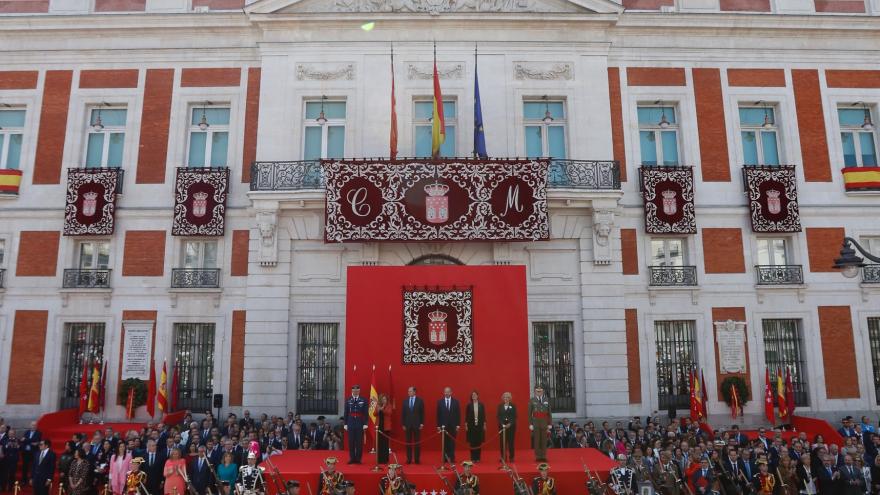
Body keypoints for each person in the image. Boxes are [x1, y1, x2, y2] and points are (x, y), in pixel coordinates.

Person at [343, 385, 368, 465]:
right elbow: (346, 412)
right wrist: (345, 423)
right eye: (354, 391)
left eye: (357, 391)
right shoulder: (348, 400)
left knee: (359, 442)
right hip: (350, 422)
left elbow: (365, 413)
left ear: (359, 391)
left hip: (360, 422)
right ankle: (352, 458)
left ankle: (358, 459)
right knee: (351, 441)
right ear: (352, 391)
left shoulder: (363, 400)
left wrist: (365, 423)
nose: (355, 392)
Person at [436, 387, 461, 465]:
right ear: (444, 393)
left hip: (453, 425)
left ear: (451, 392)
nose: (446, 393)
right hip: (443, 426)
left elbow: (458, 414)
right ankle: (445, 458)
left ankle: (452, 457)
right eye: (445, 392)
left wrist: (458, 425)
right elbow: (438, 415)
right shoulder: (440, 402)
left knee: (452, 442)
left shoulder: (456, 402)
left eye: (448, 392)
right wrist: (438, 425)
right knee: (444, 443)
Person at [528, 386, 552, 462]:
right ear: (535, 392)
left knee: (544, 440)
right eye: (537, 391)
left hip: (544, 422)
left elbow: (549, 413)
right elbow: (529, 414)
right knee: (537, 440)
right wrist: (530, 424)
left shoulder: (546, 400)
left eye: (540, 391)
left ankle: (544, 456)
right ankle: (538, 456)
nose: (539, 392)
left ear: (543, 392)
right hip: (535, 423)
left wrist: (550, 423)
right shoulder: (532, 400)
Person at [401, 387, 424, 465]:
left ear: (414, 392)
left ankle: (417, 459)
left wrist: (422, 423)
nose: (408, 392)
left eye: (410, 391)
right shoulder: (405, 401)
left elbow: (422, 413)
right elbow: (403, 414)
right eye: (408, 391)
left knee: (417, 443)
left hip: (417, 424)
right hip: (407, 425)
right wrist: (403, 424)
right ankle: (409, 459)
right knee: (408, 442)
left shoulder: (420, 401)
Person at [464, 391, 486, 463]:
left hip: (479, 426)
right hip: (471, 426)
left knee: (478, 442)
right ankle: (473, 458)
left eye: (475, 395)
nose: (474, 396)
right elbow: (466, 416)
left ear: (477, 396)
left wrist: (484, 424)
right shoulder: (469, 405)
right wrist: (466, 425)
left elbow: (484, 415)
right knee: (472, 443)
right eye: (472, 395)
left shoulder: (481, 405)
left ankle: (478, 458)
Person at [497, 392, 517, 464]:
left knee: (511, 442)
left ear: (510, 398)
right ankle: (503, 457)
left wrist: (510, 424)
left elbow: (515, 416)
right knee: (502, 442)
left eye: (508, 397)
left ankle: (511, 457)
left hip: (511, 427)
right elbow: (498, 416)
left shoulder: (513, 406)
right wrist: (502, 424)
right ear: (503, 398)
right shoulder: (500, 406)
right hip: (502, 427)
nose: (506, 398)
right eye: (505, 397)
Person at [20, 422, 41, 487]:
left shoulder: (38, 433)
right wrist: (31, 442)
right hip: (26, 452)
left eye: (34, 425)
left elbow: (36, 440)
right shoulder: (27, 432)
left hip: (33, 453)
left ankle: (32, 480)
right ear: (30, 426)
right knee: (24, 467)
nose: (33, 426)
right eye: (32, 425)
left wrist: (26, 440)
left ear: (36, 426)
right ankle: (24, 481)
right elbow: (22, 440)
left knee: (33, 467)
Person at [377, 394, 393, 465]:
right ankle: (379, 459)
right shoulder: (378, 405)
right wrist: (378, 409)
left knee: (385, 444)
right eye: (383, 399)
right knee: (380, 443)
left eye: (385, 399)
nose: (384, 400)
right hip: (379, 427)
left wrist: (382, 408)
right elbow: (374, 413)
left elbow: (389, 413)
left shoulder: (389, 405)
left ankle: (385, 459)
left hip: (386, 427)